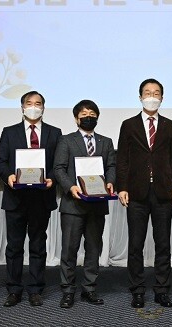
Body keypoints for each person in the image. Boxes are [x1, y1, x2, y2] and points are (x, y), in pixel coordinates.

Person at [116, 78, 172, 308]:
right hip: (136, 192)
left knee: (163, 243)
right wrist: (122, 187)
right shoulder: (128, 124)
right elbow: (122, 160)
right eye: (147, 93)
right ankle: (137, 290)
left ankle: (162, 290)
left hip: (163, 192)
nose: (151, 97)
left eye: (156, 93)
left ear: (162, 98)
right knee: (135, 244)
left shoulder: (169, 125)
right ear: (140, 97)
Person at [0, 91, 62, 307]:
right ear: (22, 107)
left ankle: (35, 289)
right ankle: (13, 290)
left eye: (38, 103)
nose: (33, 107)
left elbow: (58, 164)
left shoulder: (55, 133)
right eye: (29, 103)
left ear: (43, 108)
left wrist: (51, 178)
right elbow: (1, 161)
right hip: (16, 197)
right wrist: (9, 176)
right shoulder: (9, 132)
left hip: (41, 198)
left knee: (38, 245)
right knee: (14, 246)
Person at [53, 99, 116, 309]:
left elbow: (111, 166)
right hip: (73, 204)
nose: (88, 116)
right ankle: (68, 291)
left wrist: (110, 182)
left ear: (97, 117)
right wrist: (71, 187)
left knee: (93, 249)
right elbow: (59, 169)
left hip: (97, 204)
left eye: (92, 113)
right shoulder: (66, 140)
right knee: (69, 250)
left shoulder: (106, 141)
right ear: (76, 118)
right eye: (84, 113)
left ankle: (89, 289)